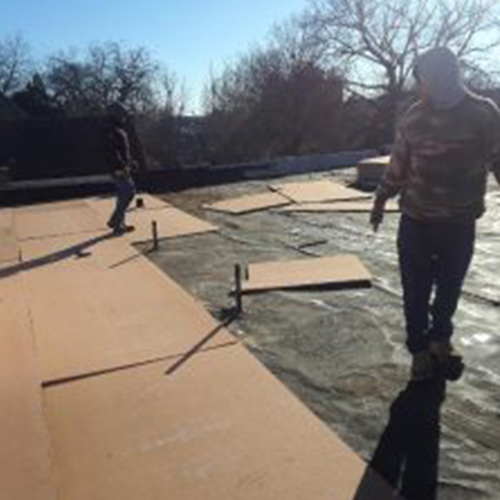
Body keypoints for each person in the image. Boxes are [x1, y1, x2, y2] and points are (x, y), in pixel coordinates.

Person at [370, 47, 500, 380]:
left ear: (437, 77)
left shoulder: (483, 114)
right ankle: (419, 352)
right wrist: (380, 199)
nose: (417, 88)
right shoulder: (414, 117)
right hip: (417, 223)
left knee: (449, 288)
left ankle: (440, 340)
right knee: (415, 291)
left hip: (459, 225)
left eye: (421, 80)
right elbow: (398, 168)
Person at [106, 102, 136, 235]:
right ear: (117, 115)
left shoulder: (118, 128)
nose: (125, 117)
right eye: (122, 114)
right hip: (118, 168)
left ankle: (119, 225)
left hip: (123, 167)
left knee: (122, 195)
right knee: (129, 192)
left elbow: (123, 150)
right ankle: (115, 220)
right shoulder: (111, 129)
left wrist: (130, 162)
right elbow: (111, 152)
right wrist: (120, 167)